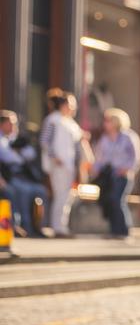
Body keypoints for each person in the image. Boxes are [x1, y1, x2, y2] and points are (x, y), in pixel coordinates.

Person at [91, 108, 140, 239]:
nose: (105, 123)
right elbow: (100, 157)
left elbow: (136, 157)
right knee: (109, 201)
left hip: (123, 175)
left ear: (116, 121)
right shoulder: (105, 139)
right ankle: (114, 230)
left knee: (118, 200)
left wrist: (128, 169)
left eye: (108, 120)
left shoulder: (128, 136)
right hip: (109, 176)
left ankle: (124, 230)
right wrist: (95, 170)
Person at [39, 90, 82, 238]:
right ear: (63, 105)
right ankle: (57, 227)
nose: (73, 108)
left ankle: (61, 226)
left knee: (67, 196)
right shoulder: (53, 120)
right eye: (71, 104)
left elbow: (77, 145)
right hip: (59, 165)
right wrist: (54, 157)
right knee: (60, 195)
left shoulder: (71, 123)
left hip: (69, 165)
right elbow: (45, 140)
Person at [0, 111, 47, 237]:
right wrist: (17, 152)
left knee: (40, 191)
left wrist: (18, 149)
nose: (14, 126)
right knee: (23, 191)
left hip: (23, 177)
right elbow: (9, 158)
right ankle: (22, 227)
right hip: (9, 177)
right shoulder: (1, 140)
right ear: (2, 124)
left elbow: (30, 154)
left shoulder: (14, 138)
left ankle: (39, 226)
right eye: (11, 123)